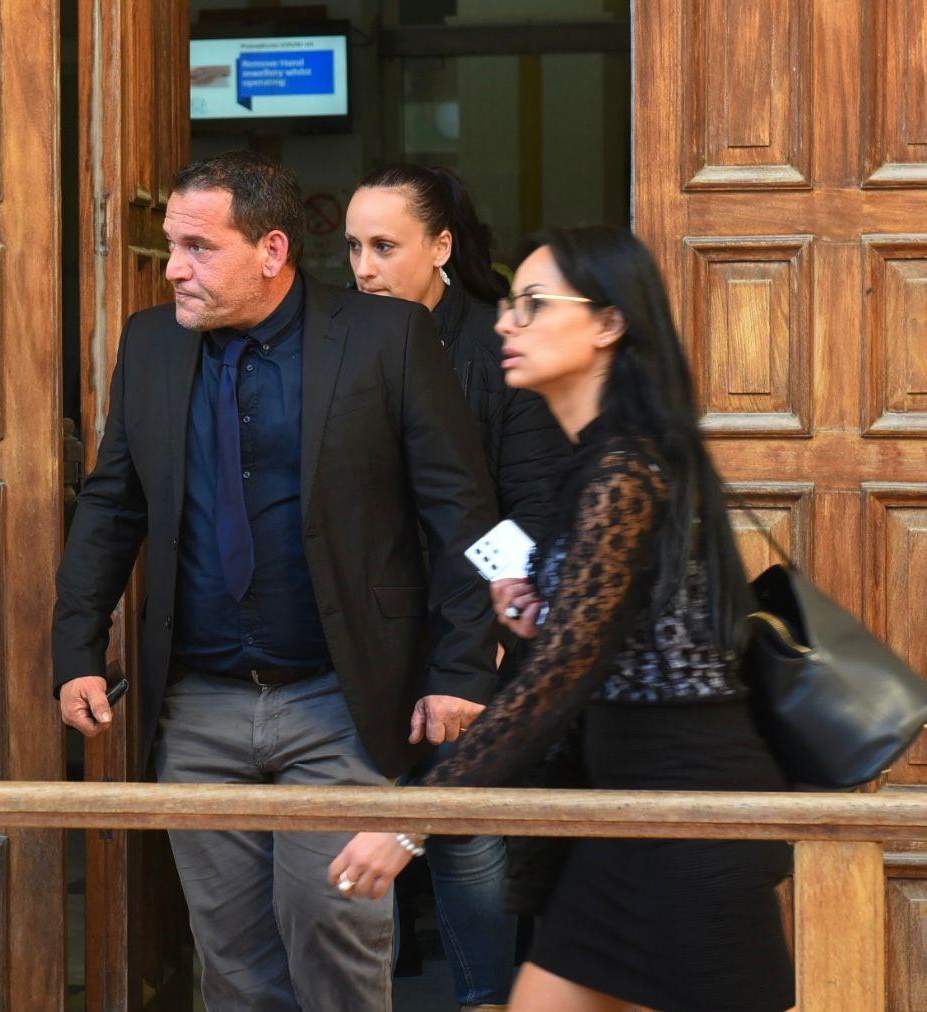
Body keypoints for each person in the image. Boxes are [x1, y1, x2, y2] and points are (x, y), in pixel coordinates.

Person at [52, 150, 499, 1011]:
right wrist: (76, 647)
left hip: (340, 699)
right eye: (170, 247)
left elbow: (461, 514)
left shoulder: (383, 337)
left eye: (196, 247)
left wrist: (461, 669)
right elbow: (114, 505)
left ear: (271, 251)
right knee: (231, 963)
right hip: (199, 708)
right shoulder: (150, 344)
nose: (173, 268)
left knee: (330, 938)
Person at [329, 226, 795, 1012]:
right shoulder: (596, 459)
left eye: (534, 306)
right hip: (620, 818)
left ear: (609, 324)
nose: (507, 323)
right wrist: (535, 608)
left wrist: (414, 821)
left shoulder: (627, 469)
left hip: (686, 818)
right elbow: (603, 637)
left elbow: (553, 684)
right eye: (510, 306)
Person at [345, 165, 570, 1010]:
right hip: (367, 617)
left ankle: (484, 996)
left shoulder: (492, 342)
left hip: (473, 624)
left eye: (383, 247)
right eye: (353, 249)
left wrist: (491, 610)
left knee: (465, 828)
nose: (363, 267)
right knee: (362, 808)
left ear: (439, 247)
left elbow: (528, 504)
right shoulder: (342, 336)